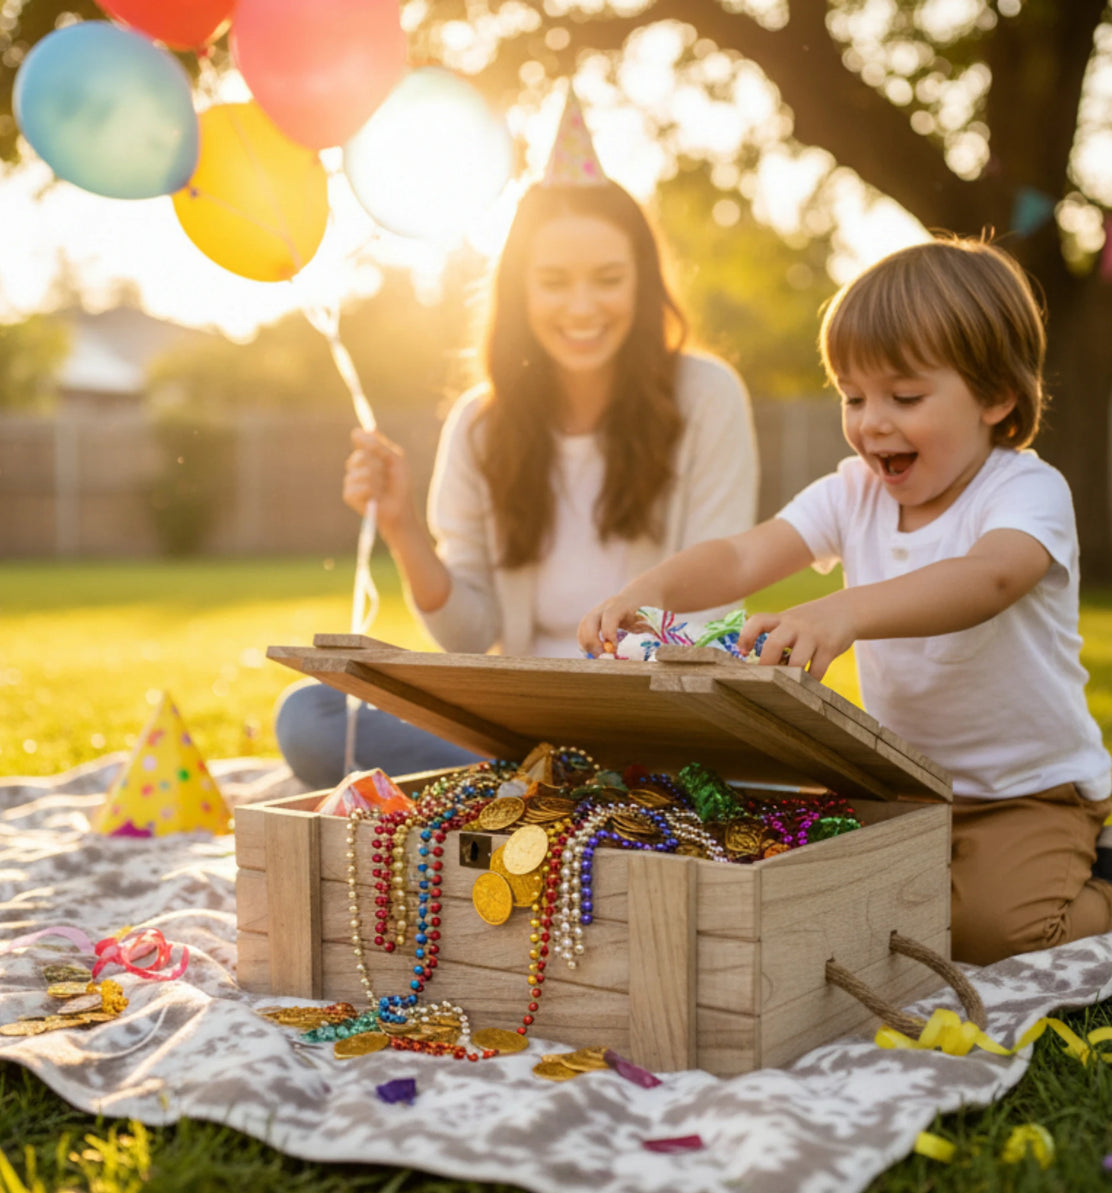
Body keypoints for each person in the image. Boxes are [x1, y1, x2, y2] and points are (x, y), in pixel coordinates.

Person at [579, 236, 1112, 967]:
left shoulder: (1024, 489)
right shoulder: (851, 492)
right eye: (853, 397)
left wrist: (844, 612)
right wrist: (647, 592)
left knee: (992, 933)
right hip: (898, 782)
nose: (871, 423)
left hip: (1026, 791)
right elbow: (742, 554)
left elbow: (988, 578)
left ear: (996, 396)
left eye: (905, 396)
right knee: (809, 885)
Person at [275, 96, 759, 789]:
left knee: (714, 764)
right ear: (520, 292)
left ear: (644, 282)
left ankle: (563, 790)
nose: (582, 307)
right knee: (313, 717)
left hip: (660, 725)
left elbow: (713, 606)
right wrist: (403, 526)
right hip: (517, 732)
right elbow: (470, 637)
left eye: (609, 279)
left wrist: (607, 706)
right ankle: (553, 788)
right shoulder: (479, 423)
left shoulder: (707, 397)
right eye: (554, 283)